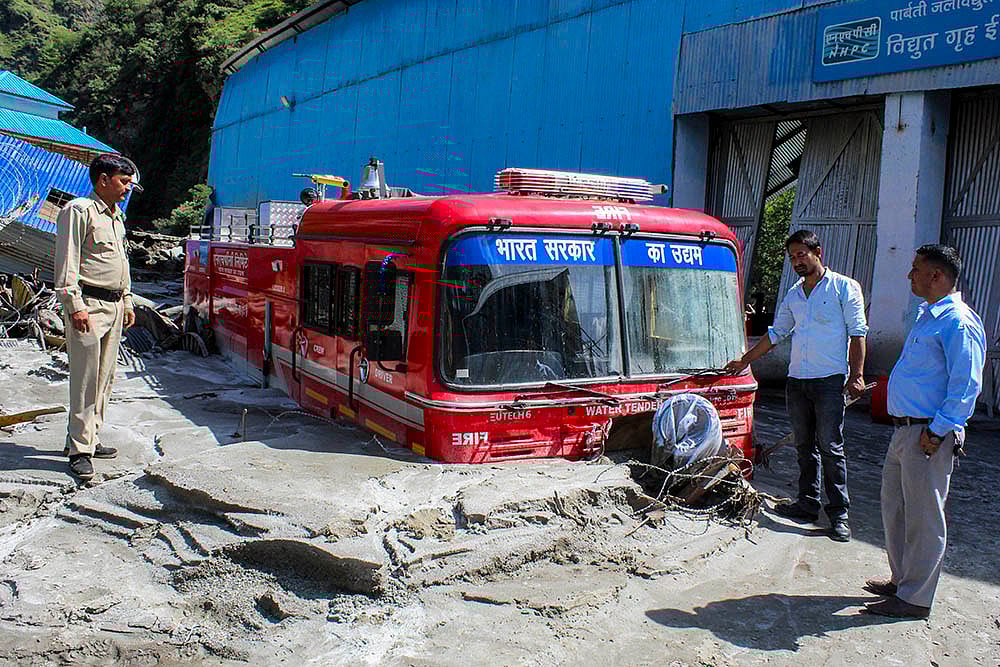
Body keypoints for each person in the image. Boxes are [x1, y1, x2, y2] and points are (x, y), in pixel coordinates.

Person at [864, 244, 985, 619]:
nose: (909, 275)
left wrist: (937, 431)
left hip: (927, 436)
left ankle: (915, 599)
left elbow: (965, 386)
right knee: (896, 510)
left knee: (924, 516)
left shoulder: (957, 321)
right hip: (904, 432)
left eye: (915, 269)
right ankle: (903, 581)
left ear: (937, 275)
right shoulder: (928, 316)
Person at [725, 230, 867, 542]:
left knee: (830, 447)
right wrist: (743, 360)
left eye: (802, 254)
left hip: (830, 381)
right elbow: (776, 335)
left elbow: (858, 333)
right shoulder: (794, 294)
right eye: (792, 257)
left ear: (819, 252)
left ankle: (839, 514)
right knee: (804, 447)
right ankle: (807, 504)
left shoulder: (844, 288)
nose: (797, 262)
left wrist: (856, 376)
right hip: (797, 382)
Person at [54, 154, 142, 480]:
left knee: (104, 379)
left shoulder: (116, 217)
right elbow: (67, 261)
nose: (127, 189)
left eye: (130, 183)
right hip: (89, 306)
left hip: (115, 306)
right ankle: (79, 450)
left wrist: (128, 301)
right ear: (103, 180)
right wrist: (73, 304)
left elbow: (122, 264)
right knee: (85, 380)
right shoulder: (79, 211)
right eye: (123, 182)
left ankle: (89, 437)